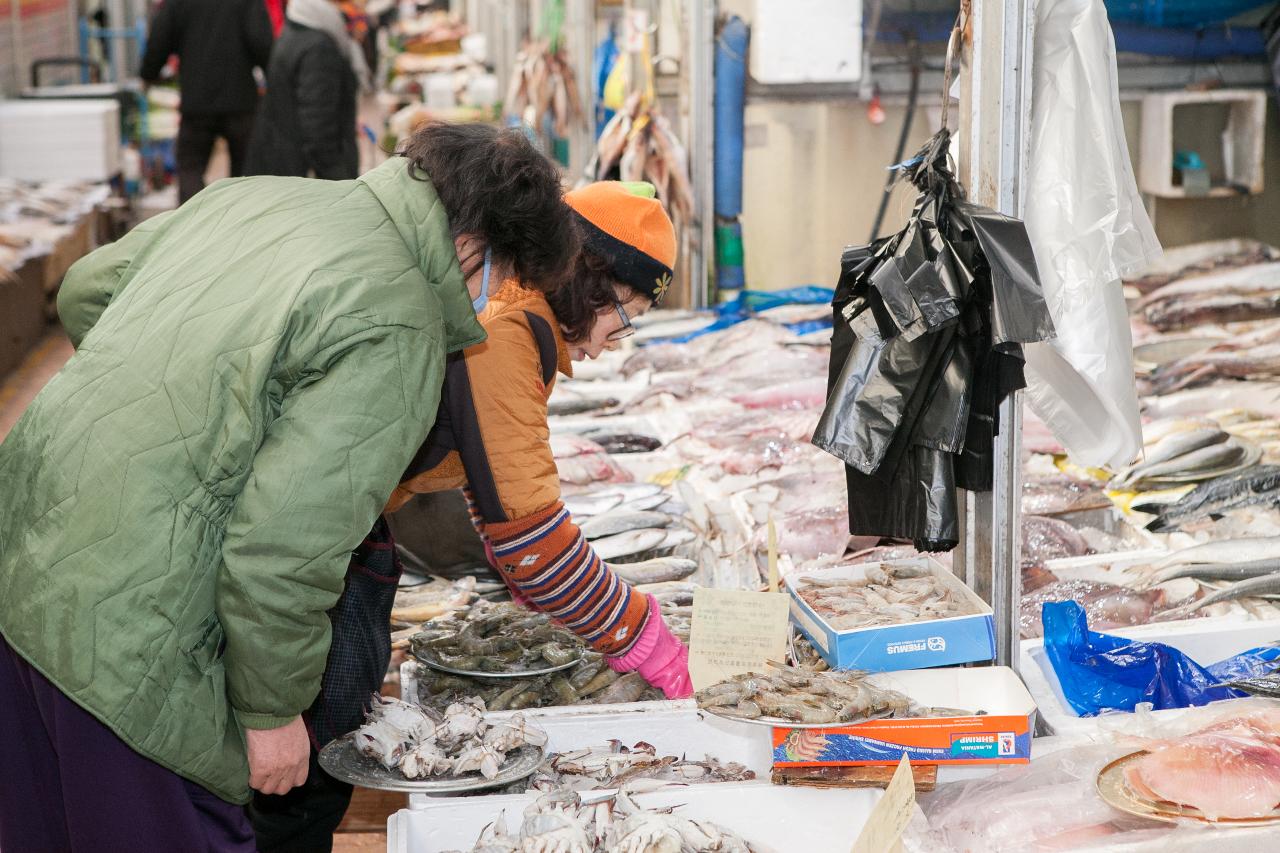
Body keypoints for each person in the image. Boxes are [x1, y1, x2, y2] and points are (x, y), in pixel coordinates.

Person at [0, 122, 578, 852]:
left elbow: (87, 288)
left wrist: (167, 418)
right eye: (499, 276)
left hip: (24, 567)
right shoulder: (398, 319)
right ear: (474, 244)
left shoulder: (252, 197)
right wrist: (272, 714)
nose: (483, 301)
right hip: (131, 648)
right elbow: (280, 548)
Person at [246, 181, 690, 851]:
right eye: (621, 316)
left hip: (332, 535)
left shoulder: (512, 315)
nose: (611, 342)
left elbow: (494, 491)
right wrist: (646, 638)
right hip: (307, 551)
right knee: (295, 790)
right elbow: (537, 539)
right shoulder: (512, 327)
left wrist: (531, 580)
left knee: (305, 783)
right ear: (589, 278)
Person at [140, 0, 274, 203]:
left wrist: (148, 73)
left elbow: (160, 38)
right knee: (246, 173)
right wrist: (271, 77)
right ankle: (243, 226)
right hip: (240, 99)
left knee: (190, 167)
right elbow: (262, 43)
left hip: (196, 101)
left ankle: (195, 224)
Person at [247, 0, 372, 180]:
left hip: (283, 159)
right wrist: (341, 182)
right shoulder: (319, 47)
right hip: (298, 169)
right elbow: (318, 125)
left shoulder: (298, 26)